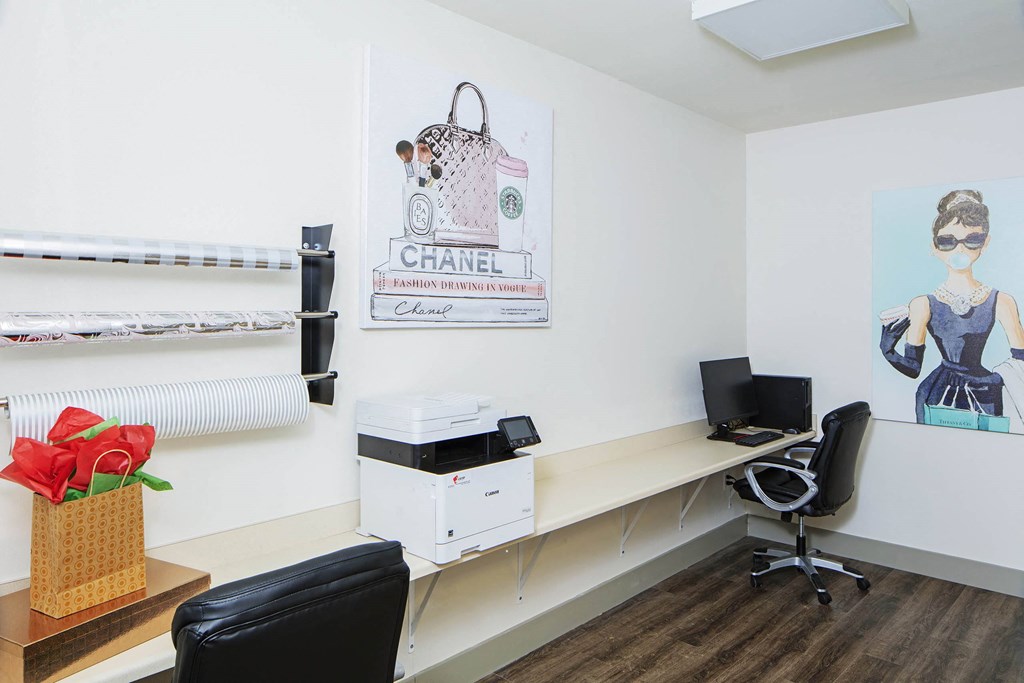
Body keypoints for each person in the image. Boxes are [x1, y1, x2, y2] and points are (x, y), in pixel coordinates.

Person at [879, 189, 1024, 424]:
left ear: (985, 243)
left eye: (972, 240)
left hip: (985, 392)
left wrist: (993, 380)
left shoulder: (1002, 300)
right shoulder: (922, 304)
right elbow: (913, 368)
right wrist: (888, 350)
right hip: (936, 393)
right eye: (947, 241)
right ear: (935, 247)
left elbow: (1021, 360)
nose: (960, 250)